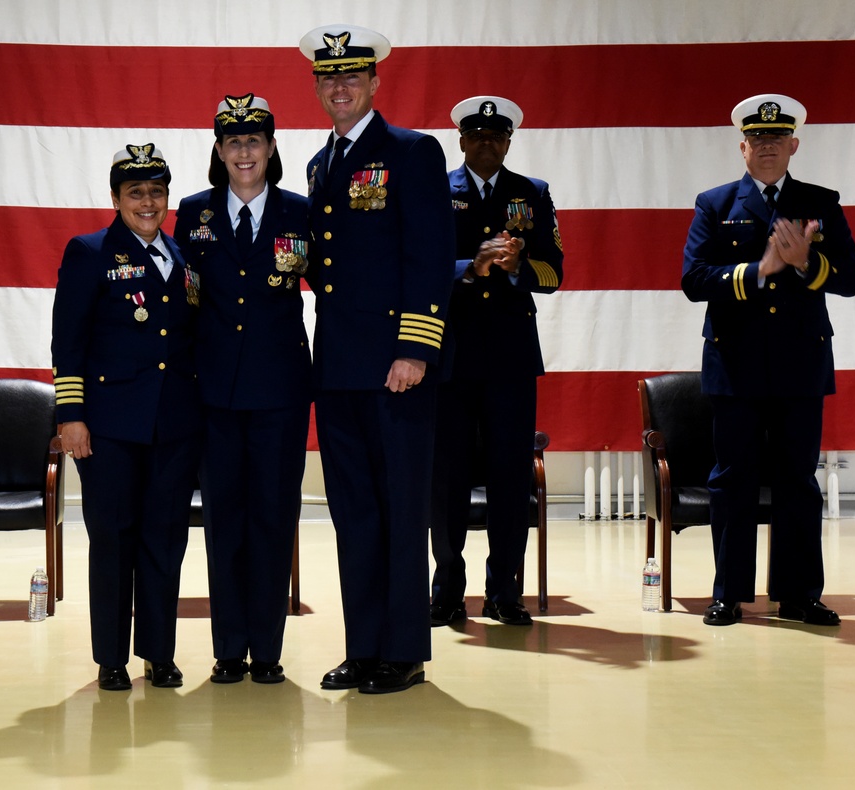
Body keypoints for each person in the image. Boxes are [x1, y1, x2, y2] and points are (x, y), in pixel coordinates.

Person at [299, 24, 456, 693]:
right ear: (318, 87)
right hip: (337, 368)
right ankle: (363, 646)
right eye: (328, 78)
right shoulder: (319, 163)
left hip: (396, 368)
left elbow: (428, 255)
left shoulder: (413, 153)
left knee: (398, 509)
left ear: (374, 82)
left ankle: (404, 651)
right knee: (354, 512)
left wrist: (415, 349)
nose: (340, 87)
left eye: (352, 76)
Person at [682, 94, 855, 626]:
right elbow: (693, 281)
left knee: (797, 482)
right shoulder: (714, 203)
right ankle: (728, 593)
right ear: (742, 146)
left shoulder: (820, 201)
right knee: (731, 480)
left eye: (776, 139)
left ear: (793, 145)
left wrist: (807, 262)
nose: (767, 147)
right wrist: (758, 269)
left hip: (799, 367)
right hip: (734, 366)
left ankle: (800, 593)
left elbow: (851, 280)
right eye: (757, 139)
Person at [51, 144, 202, 689]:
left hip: (175, 427)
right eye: (135, 192)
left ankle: (159, 653)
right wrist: (71, 415)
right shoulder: (89, 252)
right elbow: (68, 342)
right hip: (109, 428)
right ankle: (111, 658)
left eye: (156, 191)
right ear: (115, 198)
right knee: (113, 539)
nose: (147, 201)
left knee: (165, 540)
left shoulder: (183, 258)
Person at [173, 94, 311, 685]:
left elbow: (343, 279)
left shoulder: (301, 212)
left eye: (254, 141)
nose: (244, 151)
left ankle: (269, 652)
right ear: (219, 151)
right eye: (233, 142)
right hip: (216, 397)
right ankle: (229, 648)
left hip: (280, 394)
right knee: (224, 522)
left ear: (272, 147)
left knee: (274, 521)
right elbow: (180, 303)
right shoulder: (193, 213)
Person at [429, 96, 564, 628]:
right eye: (476, 136)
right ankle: (446, 590)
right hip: (453, 355)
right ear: (462, 141)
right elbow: (419, 266)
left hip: (510, 359)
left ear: (509, 142)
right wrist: (471, 265)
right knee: (448, 480)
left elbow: (555, 272)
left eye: (496, 136)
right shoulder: (437, 190)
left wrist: (515, 268)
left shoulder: (532, 194)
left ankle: (505, 590)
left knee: (511, 478)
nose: (486, 144)